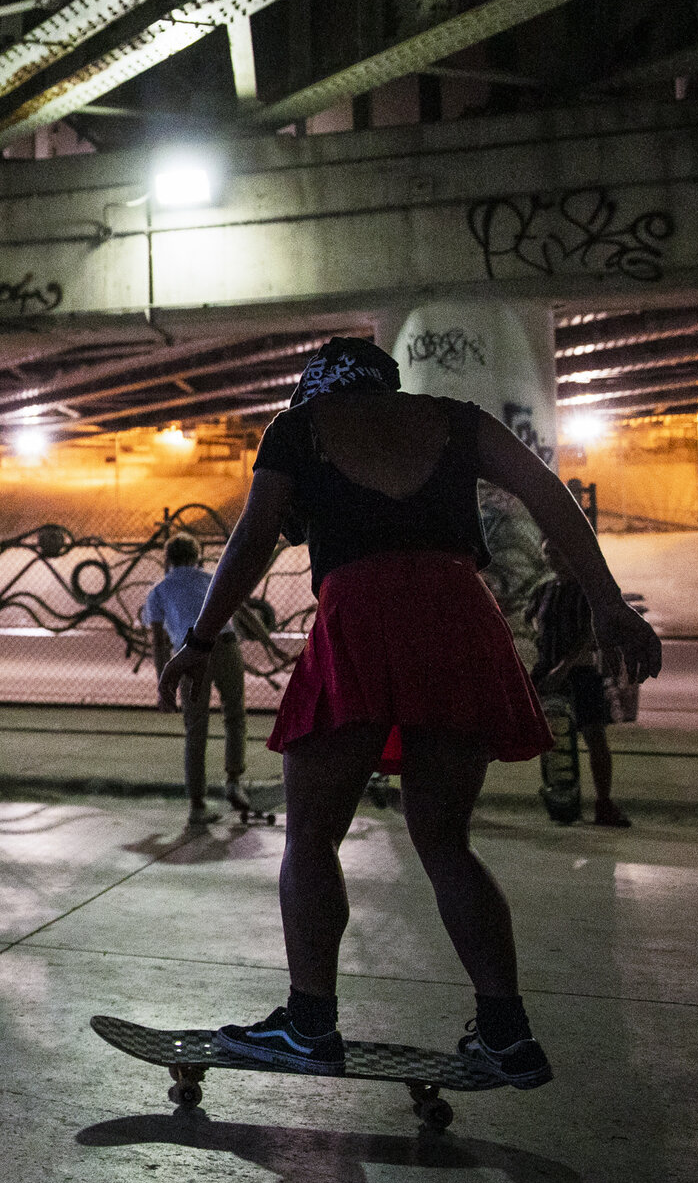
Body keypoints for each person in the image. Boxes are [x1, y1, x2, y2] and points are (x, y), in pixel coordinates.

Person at [157, 337, 659, 1091]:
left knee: (313, 834)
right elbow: (548, 493)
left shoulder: (303, 427)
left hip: (360, 615)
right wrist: (606, 599)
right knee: (446, 840)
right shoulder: (458, 421)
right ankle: (505, 1033)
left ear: (316, 389)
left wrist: (199, 639)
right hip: (461, 615)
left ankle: (309, 1021)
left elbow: (257, 537)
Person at [142, 534, 246, 827]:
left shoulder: (159, 590)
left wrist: (165, 685)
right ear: (197, 556)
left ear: (167, 559)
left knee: (195, 728)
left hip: (188, 655)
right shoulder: (211, 578)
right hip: (224, 644)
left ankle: (197, 805)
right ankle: (234, 780)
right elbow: (237, 612)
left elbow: (159, 643)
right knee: (234, 714)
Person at [531, 538, 630, 827]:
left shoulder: (586, 592)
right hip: (549, 672)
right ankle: (562, 799)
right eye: (548, 553)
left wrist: (562, 668)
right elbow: (535, 630)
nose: (553, 559)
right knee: (553, 739)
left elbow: (589, 637)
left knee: (594, 738)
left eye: (558, 552)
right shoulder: (545, 591)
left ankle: (603, 803)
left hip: (581, 674)